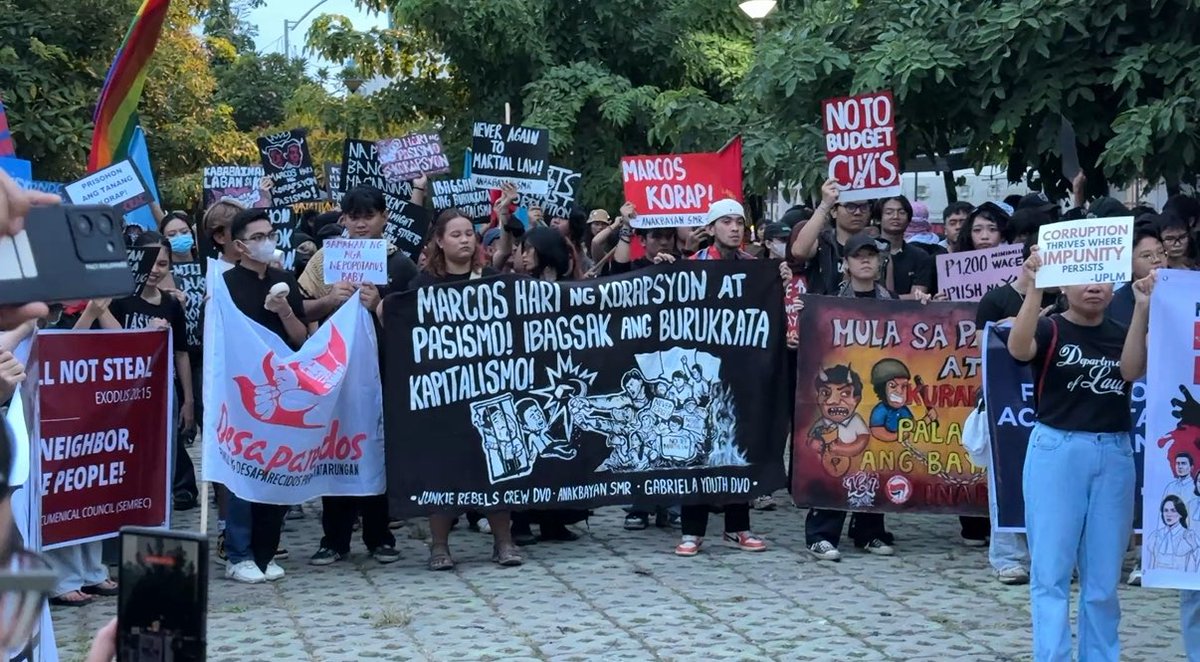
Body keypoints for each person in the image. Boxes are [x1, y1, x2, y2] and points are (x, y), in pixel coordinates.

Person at [1007, 245, 1134, 662]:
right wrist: (1032, 292)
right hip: (1057, 449)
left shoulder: (1123, 333)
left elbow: (1136, 369)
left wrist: (1148, 305)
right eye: (1083, 276)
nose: (1094, 286)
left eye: (1103, 277)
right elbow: (1018, 348)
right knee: (1051, 570)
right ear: (1064, 282)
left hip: (1113, 451)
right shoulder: (1051, 329)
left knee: (1102, 578)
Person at [297, 185, 415, 567]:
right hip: (337, 375)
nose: (361, 224)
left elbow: (418, 322)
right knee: (336, 451)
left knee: (379, 450)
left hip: (384, 374)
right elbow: (300, 311)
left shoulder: (401, 264)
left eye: (369, 216)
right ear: (343, 219)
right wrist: (330, 300)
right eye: (354, 216)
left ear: (384, 217)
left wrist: (381, 306)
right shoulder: (322, 261)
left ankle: (380, 535)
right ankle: (334, 538)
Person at [408, 208, 521, 570]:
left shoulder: (491, 279)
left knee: (496, 463)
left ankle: (504, 542)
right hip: (443, 393)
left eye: (469, 234)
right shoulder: (422, 284)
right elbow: (405, 328)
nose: (465, 239)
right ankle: (439, 547)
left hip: (488, 389)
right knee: (443, 467)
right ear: (439, 241)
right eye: (455, 234)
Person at [74, 233, 198, 513]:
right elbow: (100, 343)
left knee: (162, 454)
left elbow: (181, 353)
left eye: (163, 264)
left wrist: (188, 399)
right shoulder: (116, 301)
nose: (155, 270)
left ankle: (160, 509)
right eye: (150, 262)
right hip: (119, 396)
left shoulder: (172, 304)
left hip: (162, 392)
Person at [674, 198, 770, 557]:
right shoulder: (692, 268)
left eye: (738, 222)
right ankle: (692, 530)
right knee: (697, 449)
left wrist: (780, 282)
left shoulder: (756, 268)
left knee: (737, 446)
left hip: (740, 373)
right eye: (725, 221)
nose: (733, 228)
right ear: (711, 229)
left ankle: (738, 527)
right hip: (700, 375)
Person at [219, 208, 309, 583]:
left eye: (269, 234)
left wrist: (285, 309)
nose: (266, 242)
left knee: (278, 468)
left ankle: (265, 551)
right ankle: (238, 554)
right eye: (257, 237)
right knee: (244, 470)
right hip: (242, 393)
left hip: (282, 391)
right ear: (239, 245)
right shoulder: (223, 284)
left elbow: (301, 338)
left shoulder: (285, 279)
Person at [805, 233, 898, 561]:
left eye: (871, 256)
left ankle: (869, 531)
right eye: (859, 256)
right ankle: (821, 534)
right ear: (845, 263)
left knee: (873, 462)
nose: (866, 261)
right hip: (837, 398)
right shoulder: (830, 302)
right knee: (833, 464)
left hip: (873, 395)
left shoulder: (893, 303)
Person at [508, 227, 590, 544]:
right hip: (526, 381)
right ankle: (521, 521)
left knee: (560, 450)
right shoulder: (514, 288)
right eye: (521, 249)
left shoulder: (573, 289)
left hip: (560, 382)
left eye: (529, 249)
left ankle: (555, 519)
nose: (523, 255)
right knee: (529, 447)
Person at [790, 179, 870, 295]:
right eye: (850, 206)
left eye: (863, 207)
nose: (857, 212)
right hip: (823, 310)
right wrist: (825, 205)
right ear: (834, 212)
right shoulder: (823, 243)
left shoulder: (876, 247)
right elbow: (799, 251)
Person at [875, 195, 934, 302]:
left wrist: (883, 300)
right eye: (889, 212)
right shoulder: (867, 252)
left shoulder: (920, 256)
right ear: (878, 219)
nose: (895, 216)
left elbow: (919, 297)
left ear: (909, 219)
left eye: (901, 212)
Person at [1108, 224, 1165, 326]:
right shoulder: (1116, 303)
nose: (1157, 259)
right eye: (1147, 256)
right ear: (1129, 263)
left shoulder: (1182, 290)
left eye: (1161, 252)